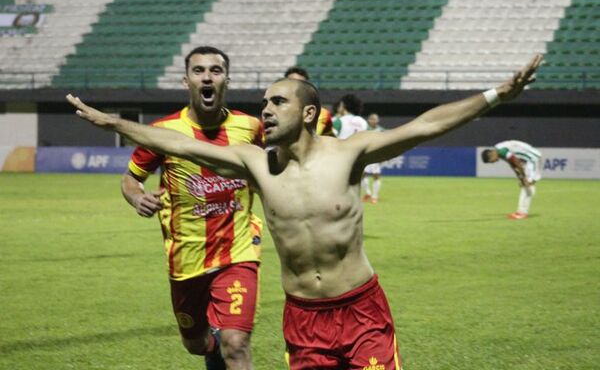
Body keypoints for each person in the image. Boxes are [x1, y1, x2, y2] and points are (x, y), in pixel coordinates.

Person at [67, 54, 543, 370]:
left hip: (361, 310)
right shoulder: (256, 163)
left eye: (277, 102)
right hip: (303, 318)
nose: (266, 111)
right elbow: (172, 140)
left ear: (309, 113)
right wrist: (112, 122)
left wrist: (498, 94)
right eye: (263, 103)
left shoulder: (349, 153)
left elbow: (426, 125)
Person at [120, 46, 264, 370]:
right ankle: (212, 349)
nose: (208, 77)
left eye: (216, 70)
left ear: (227, 79)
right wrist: (137, 197)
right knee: (195, 343)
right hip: (186, 257)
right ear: (186, 81)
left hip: (238, 251)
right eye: (199, 71)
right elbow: (130, 179)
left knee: (237, 344)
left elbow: (270, 170)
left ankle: (225, 347)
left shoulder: (251, 128)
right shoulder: (163, 132)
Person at [481, 140, 542, 219]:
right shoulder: (499, 151)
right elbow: (512, 164)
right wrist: (520, 178)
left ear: (491, 154)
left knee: (527, 185)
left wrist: (523, 177)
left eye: (491, 161)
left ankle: (522, 213)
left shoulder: (501, 151)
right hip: (529, 160)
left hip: (533, 159)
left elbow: (516, 162)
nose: (494, 162)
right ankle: (521, 211)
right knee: (525, 185)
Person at [284, 66, 334, 136]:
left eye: (302, 83)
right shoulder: (271, 112)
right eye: (292, 82)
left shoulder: (322, 114)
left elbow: (331, 140)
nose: (296, 87)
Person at [362, 113, 385, 204]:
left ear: (378, 120)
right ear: (368, 120)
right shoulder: (364, 129)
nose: (373, 120)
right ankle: (368, 193)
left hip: (376, 155)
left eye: (375, 119)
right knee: (362, 176)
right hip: (366, 155)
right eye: (371, 119)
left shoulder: (381, 130)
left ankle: (374, 196)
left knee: (376, 176)